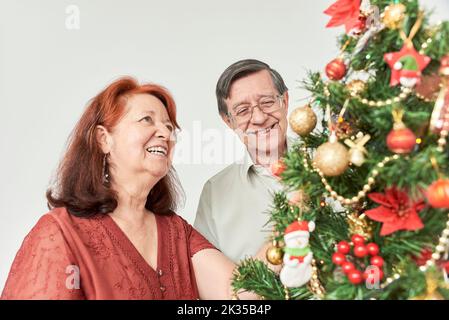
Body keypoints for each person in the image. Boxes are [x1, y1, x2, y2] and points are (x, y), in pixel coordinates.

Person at [1, 77, 267, 300]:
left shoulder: (177, 232)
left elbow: (240, 294)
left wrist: (296, 217)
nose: (165, 133)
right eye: (147, 120)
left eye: (168, 126)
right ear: (104, 139)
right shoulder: (60, 232)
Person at [194, 59, 291, 263]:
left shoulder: (334, 162)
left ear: (286, 101)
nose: (258, 117)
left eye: (267, 102)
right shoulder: (214, 193)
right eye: (243, 110)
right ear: (228, 121)